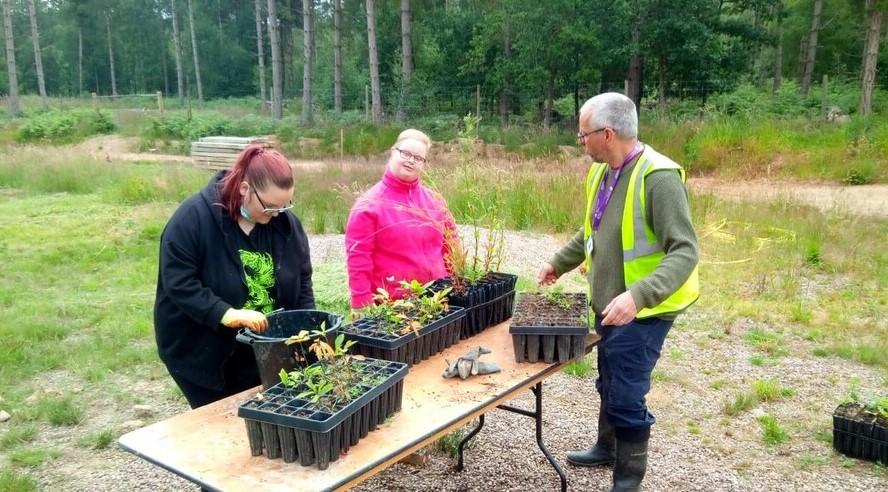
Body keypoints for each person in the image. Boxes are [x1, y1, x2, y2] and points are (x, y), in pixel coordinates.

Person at [537, 93, 699, 492]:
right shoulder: (602, 171)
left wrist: (638, 296)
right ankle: (606, 447)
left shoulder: (657, 178)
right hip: (610, 304)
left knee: (626, 393)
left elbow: (685, 251)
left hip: (642, 312)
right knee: (608, 380)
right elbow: (591, 229)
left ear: (607, 134)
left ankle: (628, 481)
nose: (580, 141)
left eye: (583, 134)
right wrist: (559, 262)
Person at [154, 146, 315, 409]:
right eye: (270, 207)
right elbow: (179, 282)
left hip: (260, 351)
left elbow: (303, 280)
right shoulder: (193, 219)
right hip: (204, 352)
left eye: (283, 206)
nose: (276, 214)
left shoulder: (285, 225)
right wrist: (225, 313)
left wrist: (306, 325)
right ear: (244, 189)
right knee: (223, 421)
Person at [345, 129, 456, 309]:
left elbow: (451, 246)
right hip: (394, 308)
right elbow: (358, 260)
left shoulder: (435, 201)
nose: (411, 160)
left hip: (440, 300)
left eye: (418, 158)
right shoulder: (368, 206)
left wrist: (458, 284)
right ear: (392, 151)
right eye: (405, 153)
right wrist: (361, 304)